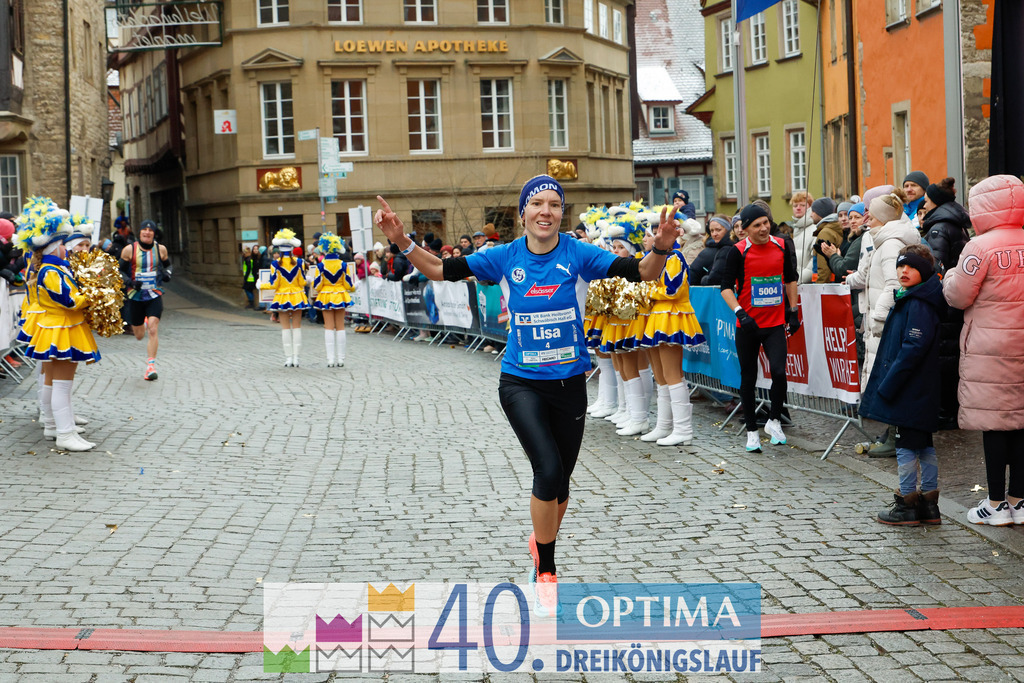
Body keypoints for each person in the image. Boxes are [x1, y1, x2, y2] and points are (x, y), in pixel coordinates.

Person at [374, 175, 677, 616]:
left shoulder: (578, 253)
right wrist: (401, 240)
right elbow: (442, 269)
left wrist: (662, 248)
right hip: (521, 381)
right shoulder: (505, 256)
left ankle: (540, 544)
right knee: (547, 468)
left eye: (554, 204)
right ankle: (547, 570)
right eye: (537, 203)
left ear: (561, 214)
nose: (546, 211)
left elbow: (642, 273)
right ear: (523, 213)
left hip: (569, 381)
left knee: (562, 483)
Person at [943, 175, 1024, 526]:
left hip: (992, 347)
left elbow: (959, 296)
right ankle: (1019, 500)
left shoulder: (979, 247)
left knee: (994, 425)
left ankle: (995, 504)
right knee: (1022, 422)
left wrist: (948, 277)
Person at [859, 245, 946, 525]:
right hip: (919, 385)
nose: (904, 271)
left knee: (906, 444)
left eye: (911, 267)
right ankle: (929, 505)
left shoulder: (919, 302)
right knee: (922, 443)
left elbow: (913, 347)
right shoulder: (913, 297)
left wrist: (889, 383)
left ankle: (908, 504)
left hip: (910, 386)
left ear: (925, 271)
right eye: (900, 266)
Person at [15, 198, 100, 452]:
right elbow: (70, 301)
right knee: (62, 383)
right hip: (59, 330)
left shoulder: (53, 269)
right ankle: (64, 433)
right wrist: (95, 293)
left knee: (55, 382)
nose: (67, 248)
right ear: (53, 247)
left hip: (58, 329)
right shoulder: (51, 272)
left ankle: (56, 426)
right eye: (63, 244)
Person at [719, 203, 800, 453]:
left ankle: (774, 421)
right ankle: (752, 432)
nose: (764, 228)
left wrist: (793, 311)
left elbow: (790, 278)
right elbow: (725, 287)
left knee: (778, 372)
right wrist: (740, 313)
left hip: (775, 323)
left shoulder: (781, 245)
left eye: (766, 222)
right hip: (749, 325)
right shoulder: (738, 251)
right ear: (746, 229)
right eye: (757, 225)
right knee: (749, 377)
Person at [920, 177, 973, 430]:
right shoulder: (954, 223)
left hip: (945, 302)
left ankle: (946, 411)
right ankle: (949, 409)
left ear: (935, 201)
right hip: (954, 300)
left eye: (927, 200)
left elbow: (935, 267)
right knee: (950, 354)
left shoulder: (939, 227)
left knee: (945, 356)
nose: (924, 204)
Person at [119, 219, 170, 381]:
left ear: (154, 233)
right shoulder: (129, 250)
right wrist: (130, 282)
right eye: (144, 230)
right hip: (136, 295)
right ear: (140, 232)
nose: (147, 233)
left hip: (154, 294)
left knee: (154, 330)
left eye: (150, 231)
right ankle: (144, 323)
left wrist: (168, 273)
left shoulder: (160, 250)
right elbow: (119, 271)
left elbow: (168, 265)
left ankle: (150, 367)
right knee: (139, 334)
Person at [260, 229, 309, 367]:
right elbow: (302, 282)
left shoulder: (275, 264)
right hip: (297, 295)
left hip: (282, 297)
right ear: (292, 249)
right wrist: (309, 279)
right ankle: (296, 358)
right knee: (297, 327)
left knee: (285, 328)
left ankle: (288, 358)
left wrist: (261, 285)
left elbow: (273, 284)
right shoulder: (300, 262)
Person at [311, 233, 354, 368]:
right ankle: (341, 359)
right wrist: (353, 287)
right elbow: (348, 284)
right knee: (340, 326)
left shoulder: (321, 265)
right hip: (340, 294)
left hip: (326, 296)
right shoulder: (343, 264)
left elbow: (317, 286)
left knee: (328, 326)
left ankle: (330, 359)